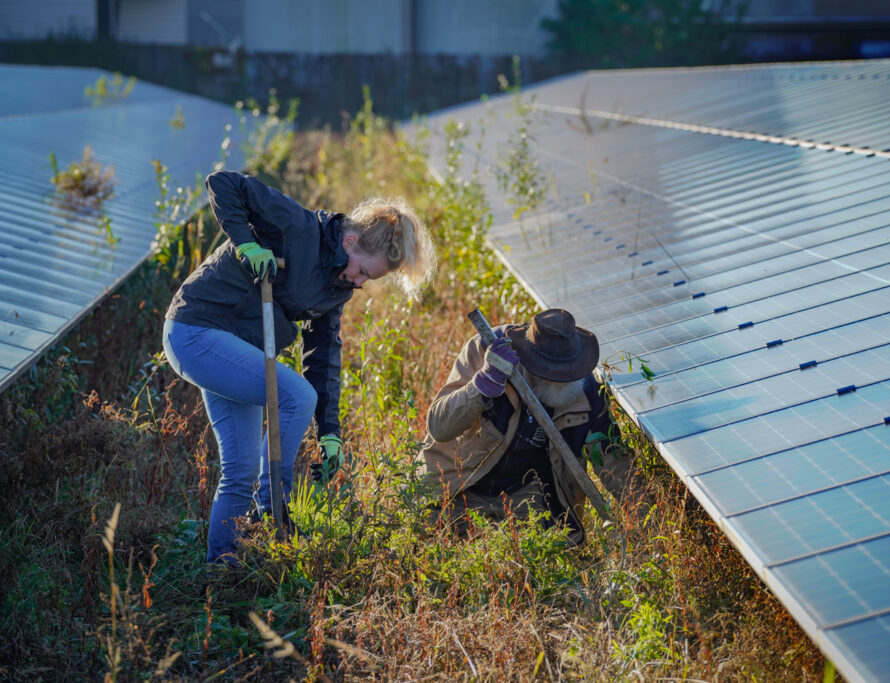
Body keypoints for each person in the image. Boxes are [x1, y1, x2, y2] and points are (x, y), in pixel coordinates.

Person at [163, 170, 434, 563]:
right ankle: (275, 507)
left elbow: (323, 356)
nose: (359, 283)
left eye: (367, 281)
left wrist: (331, 434)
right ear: (350, 241)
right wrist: (247, 246)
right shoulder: (298, 226)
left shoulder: (335, 288)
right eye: (362, 271)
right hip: (196, 328)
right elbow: (222, 182)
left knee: (239, 471)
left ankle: (221, 572)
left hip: (233, 347)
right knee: (296, 396)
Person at [416, 309, 637, 544]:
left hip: (523, 495)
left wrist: (644, 524)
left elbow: (617, 466)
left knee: (538, 562)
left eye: (566, 372)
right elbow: (439, 427)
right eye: (551, 373)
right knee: (434, 550)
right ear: (532, 362)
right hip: (459, 486)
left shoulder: (589, 393)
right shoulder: (487, 349)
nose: (560, 379)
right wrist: (480, 386)